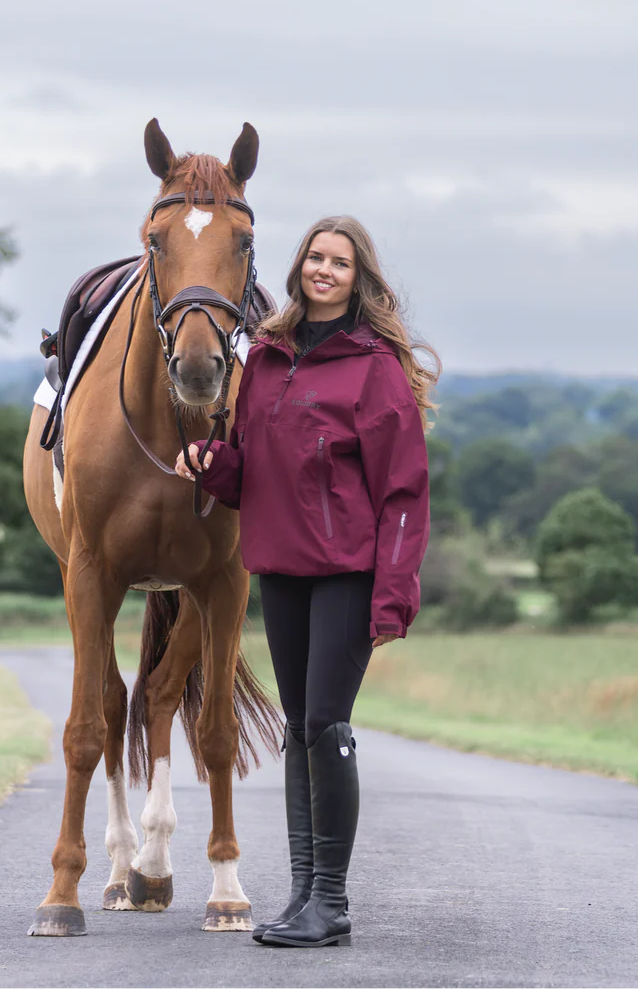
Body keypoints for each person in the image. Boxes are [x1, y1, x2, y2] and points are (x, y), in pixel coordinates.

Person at [174, 216, 437, 948]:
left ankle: (333, 902)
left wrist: (394, 593)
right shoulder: (264, 356)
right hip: (282, 568)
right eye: (317, 257)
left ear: (359, 278)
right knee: (297, 728)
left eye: (340, 262)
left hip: (349, 572)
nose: (325, 269)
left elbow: (405, 492)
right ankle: (300, 898)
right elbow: (250, 467)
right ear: (298, 266)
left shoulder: (375, 365)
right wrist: (211, 464)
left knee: (325, 724)